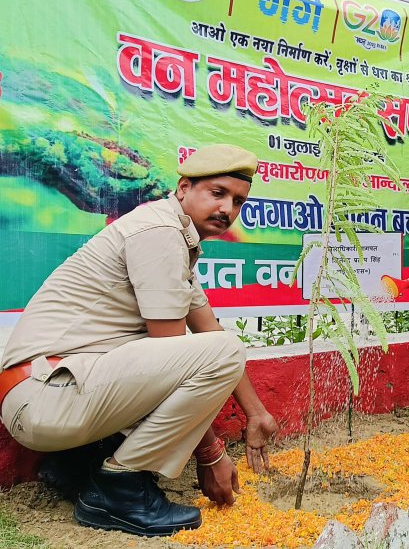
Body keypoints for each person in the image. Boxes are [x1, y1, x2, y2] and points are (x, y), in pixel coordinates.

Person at [0, 144, 277, 536]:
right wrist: (212, 455)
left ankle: (82, 465)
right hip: (44, 399)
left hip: (54, 395)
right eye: (217, 193)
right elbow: (181, 355)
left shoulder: (174, 236)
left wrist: (256, 413)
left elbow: (207, 331)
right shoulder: (159, 233)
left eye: (238, 202)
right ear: (184, 188)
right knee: (224, 351)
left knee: (216, 347)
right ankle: (118, 489)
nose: (227, 210)